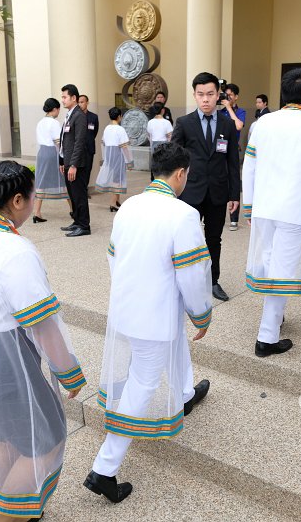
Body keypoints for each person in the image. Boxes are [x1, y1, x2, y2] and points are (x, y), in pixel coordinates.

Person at [0, 160, 86, 522]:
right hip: (0, 361)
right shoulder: (15, 251)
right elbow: (42, 324)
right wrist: (69, 372)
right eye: (33, 194)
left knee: (1, 437)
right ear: (19, 201)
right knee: (48, 438)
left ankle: (9, 506)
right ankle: (4, 517)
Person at [86, 142, 212, 503]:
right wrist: (201, 313)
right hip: (155, 315)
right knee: (142, 381)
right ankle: (104, 470)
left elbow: (113, 258)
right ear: (181, 174)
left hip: (128, 307)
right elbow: (192, 274)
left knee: (168, 349)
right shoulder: (183, 214)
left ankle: (185, 393)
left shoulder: (128, 206)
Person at [242, 68, 301, 357]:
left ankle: (276, 316)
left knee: (272, 262)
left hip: (266, 206)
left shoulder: (264, 123)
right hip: (296, 208)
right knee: (282, 269)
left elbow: (250, 165)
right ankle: (266, 337)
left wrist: (249, 204)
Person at [171, 72, 240, 302]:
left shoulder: (227, 124)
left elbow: (232, 161)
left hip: (218, 193)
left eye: (210, 94)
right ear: (195, 95)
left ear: (218, 95)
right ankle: (182, 280)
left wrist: (234, 194)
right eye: (200, 94)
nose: (205, 99)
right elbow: (173, 158)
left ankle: (213, 280)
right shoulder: (184, 123)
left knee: (214, 238)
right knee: (186, 238)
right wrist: (171, 189)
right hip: (190, 191)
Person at [58, 84, 90, 237]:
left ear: (73, 98)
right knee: (72, 194)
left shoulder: (80, 116)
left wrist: (73, 165)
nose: (62, 100)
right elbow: (65, 140)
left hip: (76, 164)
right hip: (67, 162)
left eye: (65, 97)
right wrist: (62, 161)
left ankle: (84, 226)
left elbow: (79, 142)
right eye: (62, 97)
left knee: (79, 194)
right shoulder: (70, 114)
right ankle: (77, 221)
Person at [33, 98, 70, 223]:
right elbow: (58, 142)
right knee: (65, 181)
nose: (59, 111)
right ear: (54, 109)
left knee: (41, 181)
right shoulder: (54, 123)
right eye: (58, 109)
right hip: (52, 153)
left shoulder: (40, 122)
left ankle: (37, 212)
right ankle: (73, 209)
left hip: (41, 153)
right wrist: (64, 157)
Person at [95, 107, 134, 210]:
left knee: (116, 178)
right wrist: (129, 161)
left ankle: (117, 200)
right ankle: (112, 203)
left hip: (109, 156)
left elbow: (103, 143)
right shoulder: (120, 129)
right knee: (117, 180)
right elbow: (125, 147)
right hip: (118, 156)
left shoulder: (107, 128)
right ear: (119, 116)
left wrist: (105, 157)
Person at [222, 83, 247, 232]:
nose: (227, 97)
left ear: (236, 96)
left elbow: (238, 126)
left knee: (234, 181)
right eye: (225, 95)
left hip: (232, 150)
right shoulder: (219, 112)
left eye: (230, 95)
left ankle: (234, 219)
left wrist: (229, 108)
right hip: (220, 149)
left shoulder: (240, 111)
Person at [78, 95, 99, 202]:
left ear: (87, 103)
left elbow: (94, 132)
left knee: (87, 170)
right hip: (78, 150)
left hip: (89, 149)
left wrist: (88, 141)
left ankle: (84, 191)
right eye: (79, 102)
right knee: (79, 171)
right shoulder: (76, 116)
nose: (80, 104)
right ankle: (80, 192)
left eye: (82, 102)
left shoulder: (93, 117)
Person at [146, 101, 173, 179]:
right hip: (164, 146)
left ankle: (153, 181)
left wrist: (152, 145)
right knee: (164, 166)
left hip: (154, 146)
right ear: (163, 110)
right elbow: (170, 137)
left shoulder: (150, 122)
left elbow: (149, 136)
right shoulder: (167, 122)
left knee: (154, 165)